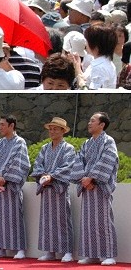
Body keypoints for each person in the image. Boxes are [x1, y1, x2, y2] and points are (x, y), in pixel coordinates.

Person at [71, 112, 118, 266]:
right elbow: (78, 162)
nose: (89, 123)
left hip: (101, 187)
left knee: (103, 221)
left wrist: (91, 178)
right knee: (88, 222)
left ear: (102, 125)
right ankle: (92, 254)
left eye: (93, 121)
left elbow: (107, 160)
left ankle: (109, 254)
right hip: (87, 188)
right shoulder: (87, 143)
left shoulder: (108, 141)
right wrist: (85, 180)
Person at [31, 117, 75, 262]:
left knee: (62, 220)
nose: (52, 131)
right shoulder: (44, 148)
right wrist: (43, 176)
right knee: (47, 221)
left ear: (63, 131)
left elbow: (68, 166)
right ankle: (50, 251)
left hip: (59, 189)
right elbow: (38, 165)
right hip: (46, 189)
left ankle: (67, 251)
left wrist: (52, 176)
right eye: (50, 129)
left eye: (55, 129)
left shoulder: (68, 148)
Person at [0, 115, 30, 259]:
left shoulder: (20, 142)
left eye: (3, 125)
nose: (0, 128)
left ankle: (20, 249)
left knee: (15, 217)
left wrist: (4, 177)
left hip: (12, 186)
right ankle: (1, 248)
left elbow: (20, 163)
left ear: (11, 126)